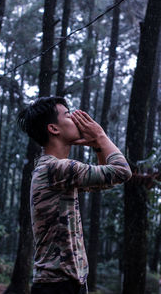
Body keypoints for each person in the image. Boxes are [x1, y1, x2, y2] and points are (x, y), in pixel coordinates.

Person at [17, 96, 132, 294]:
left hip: (67, 282)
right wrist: (101, 136)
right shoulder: (56, 168)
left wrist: (97, 145)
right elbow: (122, 171)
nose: (77, 119)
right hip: (57, 285)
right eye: (69, 115)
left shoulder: (56, 171)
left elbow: (105, 180)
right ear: (54, 128)